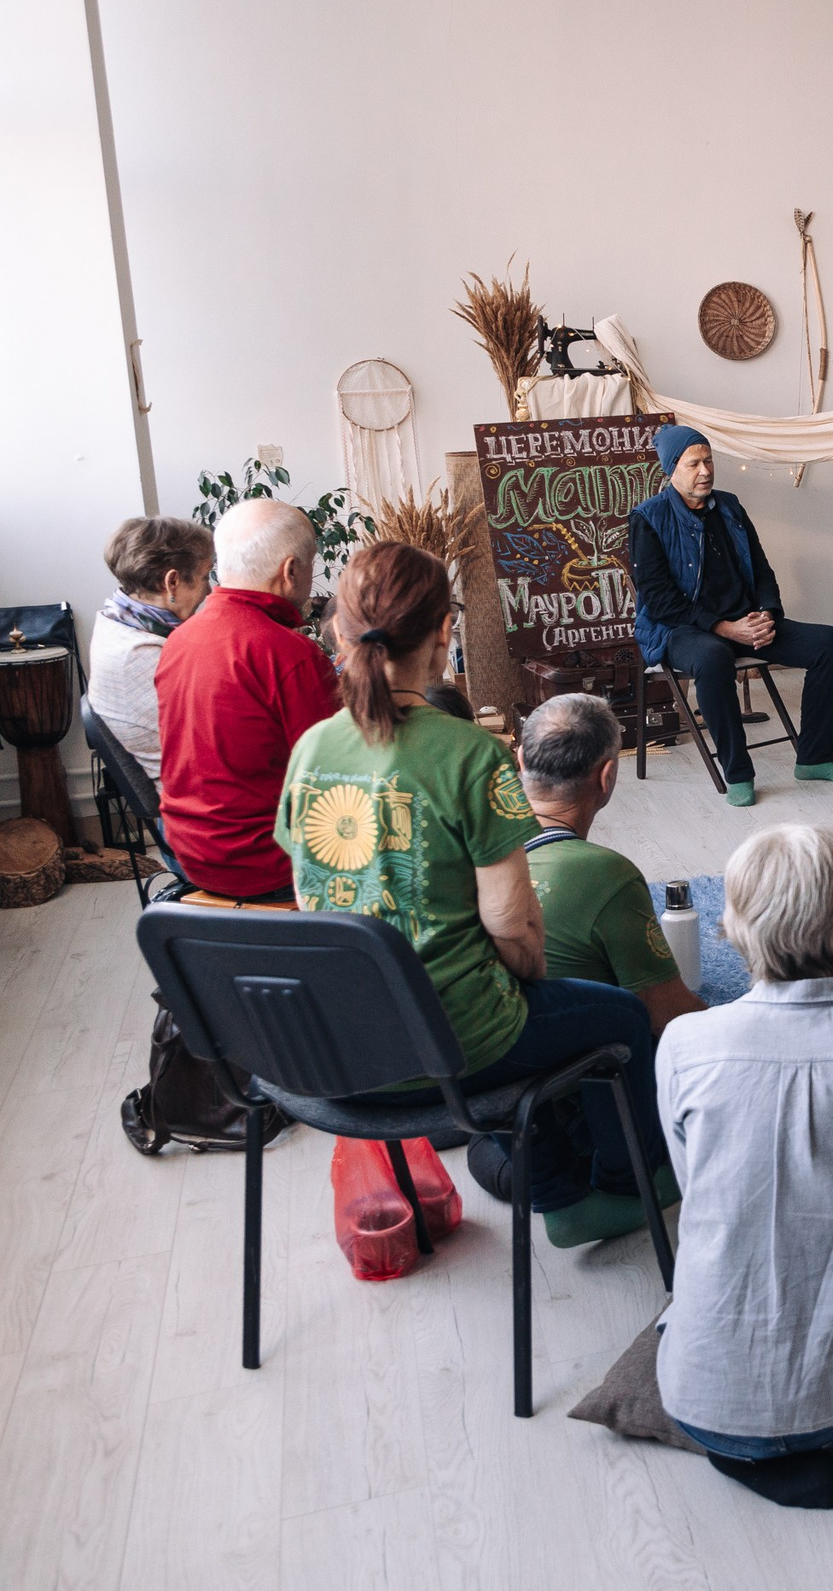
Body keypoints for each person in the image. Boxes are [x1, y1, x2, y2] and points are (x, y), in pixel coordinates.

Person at [280, 543, 668, 1247]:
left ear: (339, 632)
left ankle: (547, 1171)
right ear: (441, 636)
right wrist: (525, 980)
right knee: (613, 1019)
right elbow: (514, 928)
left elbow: (315, 909)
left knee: (541, 1015)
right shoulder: (470, 751)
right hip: (452, 1045)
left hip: (344, 1048)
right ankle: (618, 1187)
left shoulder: (309, 750)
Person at [655, 823, 833, 1510]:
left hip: (698, 1401)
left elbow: (695, 1186)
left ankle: (754, 1441)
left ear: (733, 923)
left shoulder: (683, 1043)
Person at [631, 424, 833, 808]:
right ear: (671, 470)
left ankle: (815, 757)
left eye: (708, 461)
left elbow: (762, 570)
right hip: (683, 630)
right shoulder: (649, 518)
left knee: (829, 642)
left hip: (747, 621)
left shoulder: (730, 506)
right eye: (693, 464)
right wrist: (724, 628)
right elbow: (658, 599)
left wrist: (767, 614)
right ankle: (738, 773)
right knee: (713, 656)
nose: (705, 471)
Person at [157, 499, 340, 902]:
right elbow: (338, 777)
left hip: (191, 852)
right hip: (265, 863)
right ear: (291, 571)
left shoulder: (178, 640)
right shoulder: (288, 653)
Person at [514, 694, 706, 1037]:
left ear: (521, 760)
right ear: (608, 776)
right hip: (567, 1065)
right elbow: (670, 1017)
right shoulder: (605, 876)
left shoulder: (470, 849)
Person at [89, 515, 214, 779]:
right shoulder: (142, 656)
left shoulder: (117, 621)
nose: (210, 591)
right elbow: (214, 740)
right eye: (205, 577)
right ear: (172, 582)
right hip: (196, 800)